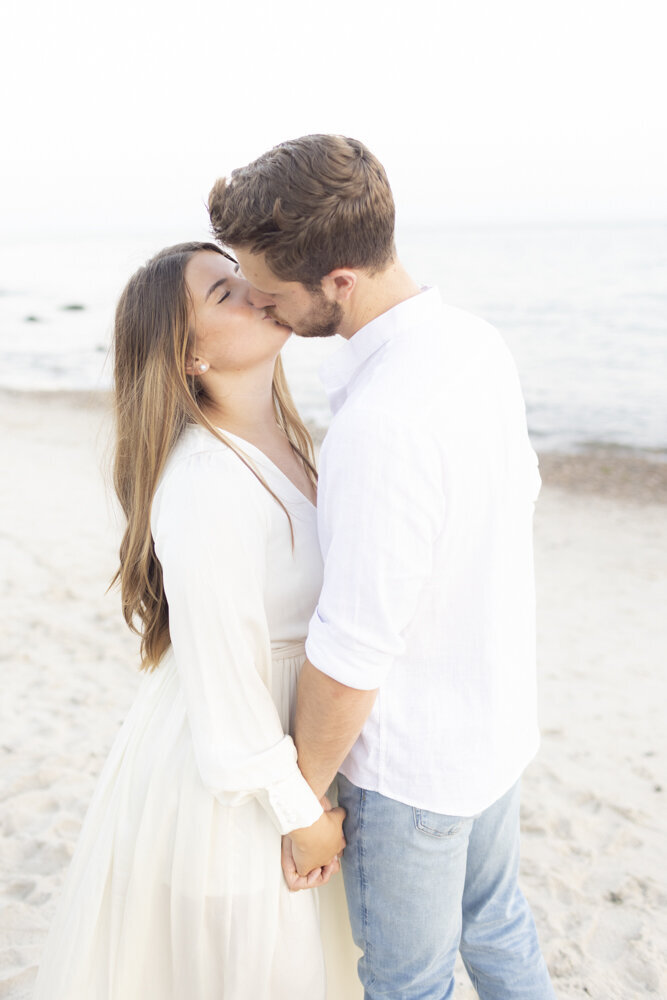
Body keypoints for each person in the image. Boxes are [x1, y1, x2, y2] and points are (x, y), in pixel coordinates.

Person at [208, 134, 558, 999]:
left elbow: (353, 649)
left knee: (408, 982)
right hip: (494, 728)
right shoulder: (473, 344)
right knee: (499, 924)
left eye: (270, 290)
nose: (258, 303)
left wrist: (307, 805)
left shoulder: (382, 420)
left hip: (411, 770)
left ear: (338, 282)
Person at [32, 241, 357, 1000]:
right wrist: (297, 808)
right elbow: (222, 673)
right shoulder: (206, 480)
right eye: (222, 294)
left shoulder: (293, 443)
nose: (253, 291)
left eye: (242, 275)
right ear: (188, 356)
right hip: (235, 772)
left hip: (289, 745)